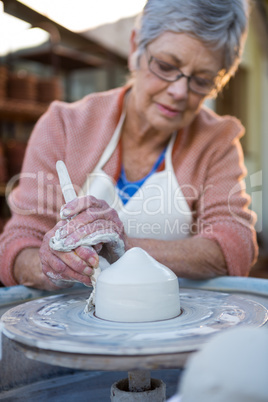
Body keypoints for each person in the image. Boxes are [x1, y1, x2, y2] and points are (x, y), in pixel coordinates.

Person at [0, 0, 258, 290]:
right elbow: (18, 242)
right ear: (136, 46)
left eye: (202, 80)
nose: (179, 91)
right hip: (75, 324)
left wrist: (122, 244)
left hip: (173, 323)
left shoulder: (216, 141)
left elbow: (235, 244)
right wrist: (49, 264)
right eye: (166, 65)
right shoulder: (64, 126)